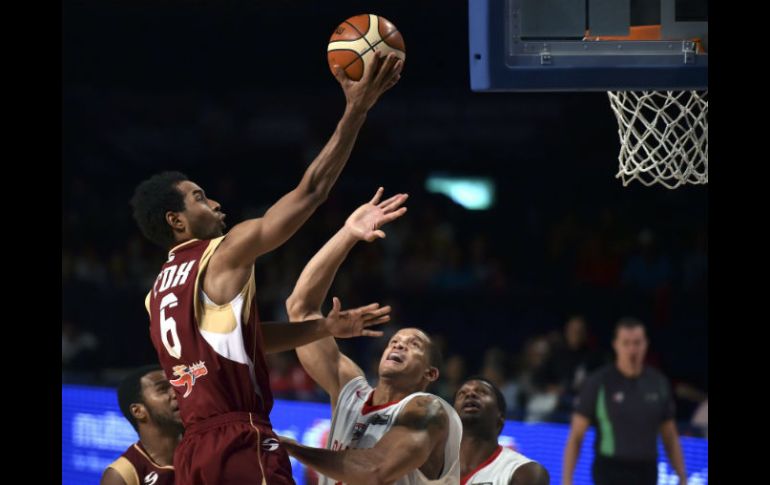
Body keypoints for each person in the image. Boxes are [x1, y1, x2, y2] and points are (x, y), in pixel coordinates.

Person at [130, 53, 403, 485]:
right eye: (200, 198)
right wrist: (356, 111)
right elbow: (312, 190)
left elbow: (240, 337)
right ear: (175, 221)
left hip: (194, 452)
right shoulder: (222, 251)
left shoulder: (157, 291)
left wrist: (324, 328)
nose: (215, 203)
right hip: (239, 439)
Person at [281, 188, 462, 484]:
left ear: (430, 373)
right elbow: (300, 309)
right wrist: (347, 235)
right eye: (395, 341)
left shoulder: (428, 410)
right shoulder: (350, 391)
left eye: (413, 344)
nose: (399, 343)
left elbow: (374, 470)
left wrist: (289, 446)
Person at [561, 318, 687, 485]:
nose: (632, 349)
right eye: (626, 343)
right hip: (610, 470)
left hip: (647, 470)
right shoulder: (599, 382)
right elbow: (576, 436)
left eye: (637, 343)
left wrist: (682, 477)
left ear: (645, 345)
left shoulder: (658, 383)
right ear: (616, 345)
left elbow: (670, 436)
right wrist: (567, 480)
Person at [454, 376, 549, 485]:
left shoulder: (524, 471)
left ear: (500, 418)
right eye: (462, 394)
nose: (470, 395)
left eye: (482, 392)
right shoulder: (433, 467)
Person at [101, 366, 183, 485]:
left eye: (176, 385)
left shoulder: (205, 446)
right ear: (138, 411)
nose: (177, 393)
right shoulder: (122, 476)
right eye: (163, 389)